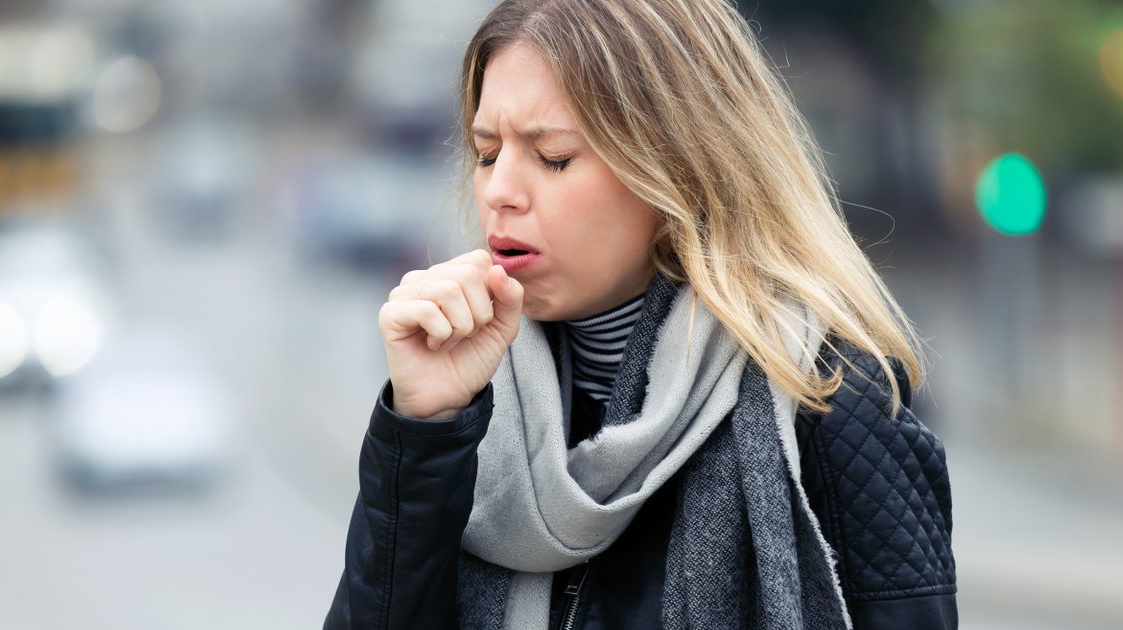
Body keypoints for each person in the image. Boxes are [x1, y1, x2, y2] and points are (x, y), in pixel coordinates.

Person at [324, 0, 957, 628]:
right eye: (488, 154)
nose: (498, 192)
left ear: (677, 168)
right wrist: (424, 428)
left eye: (553, 157)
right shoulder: (469, 398)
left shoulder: (832, 400)